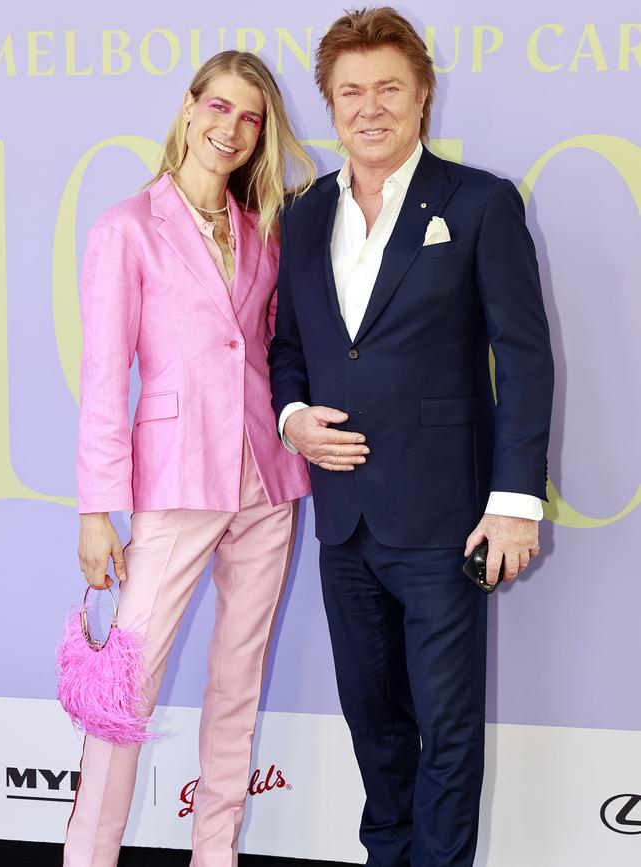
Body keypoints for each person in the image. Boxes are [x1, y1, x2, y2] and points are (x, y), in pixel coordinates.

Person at [269, 8, 554, 866]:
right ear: (330, 104)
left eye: (389, 86)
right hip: (344, 521)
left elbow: (525, 358)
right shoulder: (304, 213)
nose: (370, 107)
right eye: (350, 91)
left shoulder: (479, 202)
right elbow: (288, 347)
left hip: (446, 518)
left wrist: (513, 505)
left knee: (447, 729)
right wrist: (292, 419)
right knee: (372, 718)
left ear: (423, 95)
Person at [65, 50, 314, 867]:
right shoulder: (128, 226)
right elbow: (104, 381)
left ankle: (217, 855)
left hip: (266, 483)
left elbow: (271, 351)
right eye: (220, 107)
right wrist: (96, 512)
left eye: (250, 117)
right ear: (189, 106)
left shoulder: (262, 232)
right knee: (122, 694)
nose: (232, 128)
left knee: (238, 687)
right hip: (174, 480)